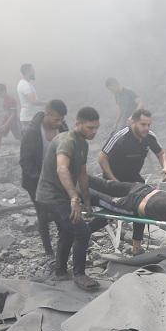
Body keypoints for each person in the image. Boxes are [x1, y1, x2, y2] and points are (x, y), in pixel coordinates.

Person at [36, 107, 100, 290]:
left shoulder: (83, 144)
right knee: (82, 231)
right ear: (77, 123)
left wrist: (86, 200)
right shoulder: (67, 140)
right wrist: (74, 199)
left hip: (61, 195)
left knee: (68, 231)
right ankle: (79, 274)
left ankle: (60, 271)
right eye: (90, 128)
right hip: (51, 197)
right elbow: (62, 169)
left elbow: (81, 174)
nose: (94, 132)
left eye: (96, 128)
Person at [99, 108, 166, 255]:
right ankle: (84, 234)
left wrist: (165, 168)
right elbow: (102, 157)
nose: (146, 128)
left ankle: (136, 247)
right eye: (143, 124)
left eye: (149, 125)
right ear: (134, 122)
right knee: (111, 213)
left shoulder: (149, 136)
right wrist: (112, 180)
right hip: (114, 179)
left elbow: (160, 152)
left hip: (133, 178)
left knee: (142, 209)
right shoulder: (121, 136)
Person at [20, 100, 69, 258]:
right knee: (43, 213)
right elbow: (25, 162)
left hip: (57, 178)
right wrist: (41, 178)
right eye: (56, 119)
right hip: (35, 181)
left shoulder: (62, 128)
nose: (59, 122)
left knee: (61, 210)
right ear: (47, 114)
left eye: (61, 119)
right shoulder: (32, 132)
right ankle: (48, 250)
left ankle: (64, 246)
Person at [0, 83, 21, 155]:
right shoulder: (5, 100)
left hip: (14, 123)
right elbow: (6, 113)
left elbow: (13, 114)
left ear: (3, 91)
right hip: (7, 122)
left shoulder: (11, 100)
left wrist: (5, 125)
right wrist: (2, 123)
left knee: (21, 138)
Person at [17, 63, 45, 132]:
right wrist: (49, 103)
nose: (34, 72)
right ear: (27, 71)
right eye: (32, 70)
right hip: (29, 117)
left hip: (30, 117)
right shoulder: (25, 85)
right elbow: (34, 101)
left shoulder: (25, 83)